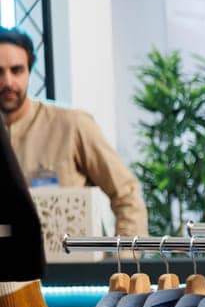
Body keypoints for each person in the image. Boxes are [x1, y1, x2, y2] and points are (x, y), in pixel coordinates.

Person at [0, 28, 146, 237]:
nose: (8, 82)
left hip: (75, 266)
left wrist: (122, 261)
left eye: (16, 70)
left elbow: (127, 194)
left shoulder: (72, 125)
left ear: (28, 71)